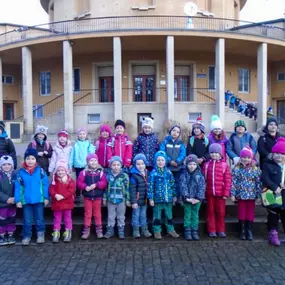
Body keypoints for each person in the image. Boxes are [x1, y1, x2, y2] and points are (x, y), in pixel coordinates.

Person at [15, 148, 49, 246]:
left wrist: (46, 197)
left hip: (39, 199)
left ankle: (40, 234)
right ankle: (26, 235)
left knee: (39, 218)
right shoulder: (20, 172)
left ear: (36, 160)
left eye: (33, 158)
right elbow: (18, 187)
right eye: (28, 158)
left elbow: (45, 185)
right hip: (26, 200)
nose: (30, 161)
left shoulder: (40, 171)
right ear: (25, 160)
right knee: (27, 219)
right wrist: (18, 200)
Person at [231, 147, 262, 241]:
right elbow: (233, 182)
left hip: (252, 195)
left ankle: (249, 230)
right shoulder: (237, 169)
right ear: (240, 158)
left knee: (250, 212)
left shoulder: (255, 169)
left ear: (251, 158)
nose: (246, 159)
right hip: (241, 194)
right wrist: (232, 194)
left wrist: (259, 195)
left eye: (248, 157)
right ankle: (242, 230)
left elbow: (258, 183)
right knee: (241, 212)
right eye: (244, 157)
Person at [148, 151, 179, 239]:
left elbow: (173, 184)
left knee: (169, 215)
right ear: (155, 161)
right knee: (157, 216)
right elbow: (150, 187)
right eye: (158, 160)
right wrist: (151, 199)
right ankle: (157, 231)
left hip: (168, 199)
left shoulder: (168, 172)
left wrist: (174, 195)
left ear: (165, 161)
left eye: (162, 160)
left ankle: (170, 230)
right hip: (157, 200)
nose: (160, 162)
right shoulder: (153, 173)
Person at [203, 143, 231, 238]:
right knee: (210, 212)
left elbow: (227, 180)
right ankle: (212, 230)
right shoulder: (206, 165)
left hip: (221, 194)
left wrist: (226, 193)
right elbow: (204, 180)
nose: (214, 154)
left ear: (220, 154)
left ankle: (221, 230)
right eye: (212, 152)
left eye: (216, 153)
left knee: (221, 213)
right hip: (210, 193)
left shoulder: (224, 165)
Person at [77, 154, 107, 239]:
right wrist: (85, 187)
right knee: (88, 214)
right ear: (88, 162)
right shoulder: (84, 172)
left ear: (97, 162)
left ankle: (99, 230)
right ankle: (86, 230)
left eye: (95, 160)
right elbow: (79, 182)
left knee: (97, 214)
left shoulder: (101, 172)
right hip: (87, 197)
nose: (93, 162)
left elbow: (104, 182)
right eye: (91, 161)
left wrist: (97, 185)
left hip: (97, 197)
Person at [261, 138, 285, 246]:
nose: (279, 156)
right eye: (277, 154)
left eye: (281, 154)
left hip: (284, 194)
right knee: (272, 214)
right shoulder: (267, 164)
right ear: (273, 154)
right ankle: (273, 234)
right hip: (271, 193)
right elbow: (265, 178)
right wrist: (274, 187)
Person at [180, 154, 205, 241]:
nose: (192, 166)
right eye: (190, 164)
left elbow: (201, 187)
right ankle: (187, 231)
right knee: (187, 215)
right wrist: (186, 197)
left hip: (197, 200)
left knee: (195, 215)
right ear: (186, 165)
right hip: (188, 199)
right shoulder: (184, 174)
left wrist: (198, 198)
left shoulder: (200, 175)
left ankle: (194, 231)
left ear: (197, 165)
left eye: (194, 164)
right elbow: (183, 186)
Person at [103, 156, 130, 239]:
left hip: (121, 200)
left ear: (121, 165)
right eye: (114, 165)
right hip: (110, 200)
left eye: (118, 165)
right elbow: (105, 188)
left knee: (121, 216)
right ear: (111, 166)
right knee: (111, 216)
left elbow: (127, 188)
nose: (116, 166)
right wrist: (104, 198)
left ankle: (121, 231)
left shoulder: (124, 176)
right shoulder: (108, 176)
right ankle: (110, 231)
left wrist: (128, 199)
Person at [49, 160, 76, 243]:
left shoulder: (69, 180)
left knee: (67, 218)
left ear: (66, 171)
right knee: (57, 219)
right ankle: (56, 232)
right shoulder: (54, 180)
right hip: (57, 203)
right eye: (59, 170)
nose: (60, 172)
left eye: (62, 170)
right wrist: (55, 195)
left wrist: (63, 195)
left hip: (67, 203)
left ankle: (68, 232)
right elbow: (51, 190)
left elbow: (71, 190)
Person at [69, 127, 95, 203]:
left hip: (86, 165)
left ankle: (86, 194)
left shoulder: (88, 144)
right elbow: (72, 155)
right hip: (77, 166)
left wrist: (92, 147)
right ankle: (77, 195)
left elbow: (91, 154)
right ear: (78, 135)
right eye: (80, 134)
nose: (82, 135)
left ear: (86, 135)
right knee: (78, 180)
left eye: (83, 134)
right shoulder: (75, 145)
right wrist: (70, 165)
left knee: (87, 180)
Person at [160, 125, 186, 201]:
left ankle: (177, 199)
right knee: (168, 183)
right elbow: (162, 152)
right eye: (174, 131)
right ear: (170, 131)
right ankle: (169, 198)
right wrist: (169, 161)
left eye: (178, 132)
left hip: (178, 168)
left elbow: (183, 153)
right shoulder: (165, 142)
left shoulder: (180, 143)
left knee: (178, 183)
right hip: (168, 167)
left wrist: (178, 161)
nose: (175, 133)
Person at [130, 153, 152, 238]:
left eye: (142, 163)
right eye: (138, 164)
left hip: (145, 200)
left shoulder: (148, 173)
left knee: (143, 215)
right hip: (137, 200)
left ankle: (144, 229)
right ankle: (136, 230)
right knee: (136, 215)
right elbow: (132, 189)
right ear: (135, 164)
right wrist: (133, 201)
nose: (140, 166)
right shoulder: (134, 175)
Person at [0, 155, 17, 245]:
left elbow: (19, 188)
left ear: (12, 165)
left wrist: (15, 198)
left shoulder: (15, 175)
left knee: (11, 219)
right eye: (4, 165)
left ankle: (10, 234)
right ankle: (2, 235)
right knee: (2, 220)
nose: (6, 166)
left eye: (8, 164)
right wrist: (7, 198)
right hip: (2, 203)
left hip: (12, 203)